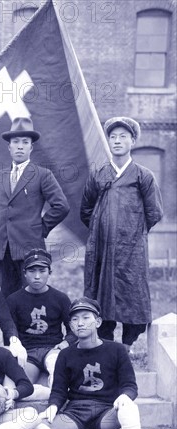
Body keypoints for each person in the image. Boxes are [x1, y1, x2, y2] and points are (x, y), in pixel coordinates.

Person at [42, 297, 152, 429]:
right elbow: (58, 391)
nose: (80, 323)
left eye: (86, 318)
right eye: (75, 320)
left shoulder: (116, 350)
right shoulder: (65, 354)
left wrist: (124, 397)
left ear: (98, 322)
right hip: (75, 414)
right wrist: (53, 406)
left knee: (130, 408)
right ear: (71, 325)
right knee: (41, 427)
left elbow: (130, 385)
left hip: (106, 415)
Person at [81, 116, 163, 348]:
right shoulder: (98, 174)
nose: (117, 141)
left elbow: (154, 212)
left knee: (132, 293)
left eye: (123, 137)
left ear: (133, 141)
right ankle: (105, 343)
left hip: (131, 249)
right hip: (102, 248)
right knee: (101, 294)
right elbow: (86, 209)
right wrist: (102, 229)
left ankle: (127, 344)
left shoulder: (143, 176)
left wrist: (129, 232)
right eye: (113, 137)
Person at [0, 117, 69, 298]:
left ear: (31, 147)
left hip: (30, 246)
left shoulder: (42, 175)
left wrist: (40, 228)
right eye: (15, 142)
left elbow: (61, 206)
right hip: (4, 246)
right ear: (9, 147)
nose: (20, 146)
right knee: (7, 296)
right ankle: (10, 328)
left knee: (29, 296)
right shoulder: (0, 176)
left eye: (25, 142)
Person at [6, 248, 76, 399]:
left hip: (52, 349)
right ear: (24, 273)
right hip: (28, 352)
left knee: (56, 366)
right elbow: (9, 329)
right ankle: (44, 394)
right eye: (32, 271)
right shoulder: (14, 300)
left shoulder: (60, 298)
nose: (37, 276)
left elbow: (73, 330)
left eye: (42, 270)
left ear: (49, 272)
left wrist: (66, 343)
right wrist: (15, 343)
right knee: (15, 388)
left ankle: (56, 395)